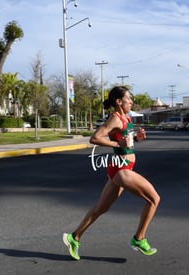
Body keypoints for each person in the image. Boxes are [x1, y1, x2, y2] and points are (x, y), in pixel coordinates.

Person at [63, 86, 160, 260]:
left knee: (101, 208)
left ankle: (74, 237)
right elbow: (95, 138)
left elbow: (125, 142)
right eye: (128, 98)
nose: (131, 101)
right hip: (121, 169)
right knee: (154, 199)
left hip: (121, 168)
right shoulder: (115, 118)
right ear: (118, 101)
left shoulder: (125, 118)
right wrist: (117, 145)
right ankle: (139, 238)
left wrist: (136, 139)